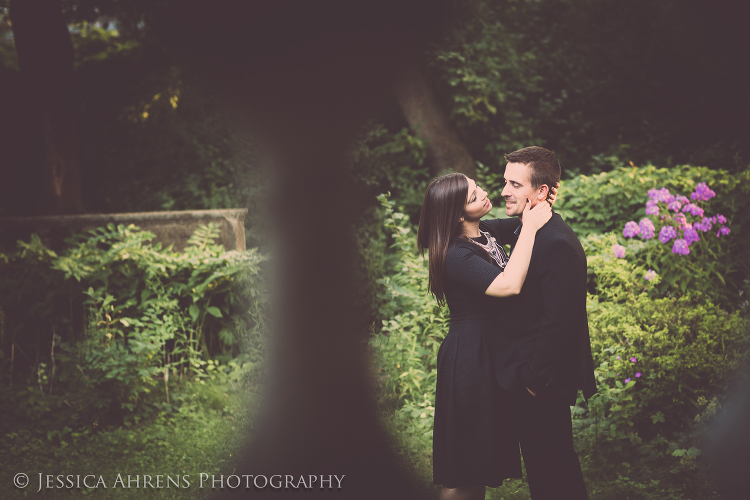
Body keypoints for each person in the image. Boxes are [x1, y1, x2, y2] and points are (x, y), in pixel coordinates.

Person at [417, 172, 553, 500]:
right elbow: (508, 284)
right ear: (457, 214)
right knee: (464, 472)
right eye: (474, 196)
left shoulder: (486, 231)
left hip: (489, 356)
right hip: (470, 360)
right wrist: (531, 227)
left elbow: (523, 220)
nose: (485, 194)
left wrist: (540, 197)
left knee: (478, 464)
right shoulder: (455, 255)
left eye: (478, 188)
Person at [492, 146, 597, 500]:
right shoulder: (531, 226)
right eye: (505, 182)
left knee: (555, 475)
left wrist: (534, 380)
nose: (504, 191)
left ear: (541, 192)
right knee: (545, 473)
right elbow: (487, 226)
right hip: (531, 375)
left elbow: (560, 323)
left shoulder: (557, 243)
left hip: (542, 381)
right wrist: (457, 215)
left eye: (515, 184)